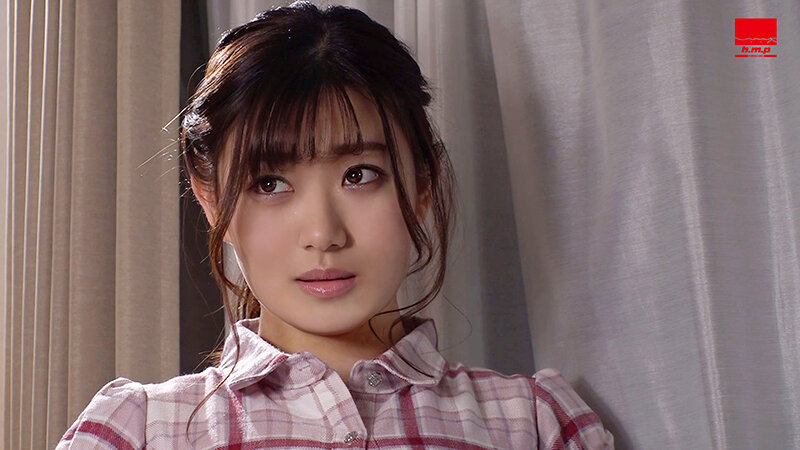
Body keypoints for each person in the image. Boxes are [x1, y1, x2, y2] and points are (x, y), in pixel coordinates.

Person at [56, 2, 614, 448]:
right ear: (211, 200)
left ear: (422, 184)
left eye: (359, 175)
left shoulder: (537, 425)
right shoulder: (135, 432)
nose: (323, 234)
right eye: (269, 183)